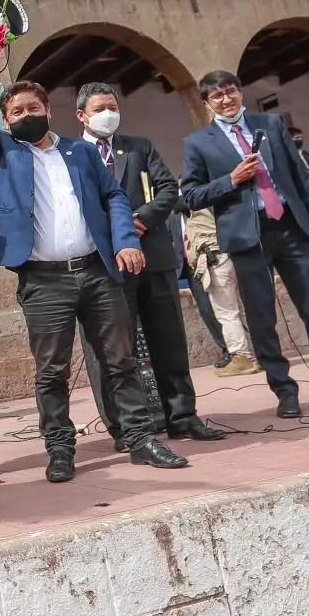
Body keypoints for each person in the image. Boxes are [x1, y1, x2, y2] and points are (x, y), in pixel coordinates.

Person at [0, 66, 188, 483]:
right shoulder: (3, 152)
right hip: (44, 281)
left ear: (48, 110)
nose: (26, 114)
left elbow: (113, 195)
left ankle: (140, 439)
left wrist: (125, 240)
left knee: (121, 360)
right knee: (51, 371)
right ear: (6, 120)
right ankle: (60, 448)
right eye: (16, 111)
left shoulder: (80, 152)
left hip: (98, 272)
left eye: (33, 107)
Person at [181, 71, 309, 418]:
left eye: (230, 92)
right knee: (262, 319)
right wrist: (231, 179)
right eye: (217, 96)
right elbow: (191, 195)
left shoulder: (270, 125)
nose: (226, 100)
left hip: (289, 227)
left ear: (240, 92)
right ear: (206, 104)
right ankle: (285, 391)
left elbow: (300, 178)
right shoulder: (198, 142)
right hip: (247, 237)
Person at [73, 84, 230, 446]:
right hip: (106, 266)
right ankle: (125, 427)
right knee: (114, 350)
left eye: (112, 106)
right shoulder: (73, 154)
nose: (108, 113)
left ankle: (182, 416)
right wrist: (118, 230)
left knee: (169, 341)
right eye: (99, 109)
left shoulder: (138, 146)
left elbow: (168, 189)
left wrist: (140, 219)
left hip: (154, 258)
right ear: (81, 115)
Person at [184, 208, 258, 377]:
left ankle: (241, 357)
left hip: (216, 258)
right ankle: (259, 355)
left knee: (227, 312)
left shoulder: (197, 200)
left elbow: (177, 202)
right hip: (233, 255)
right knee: (242, 310)